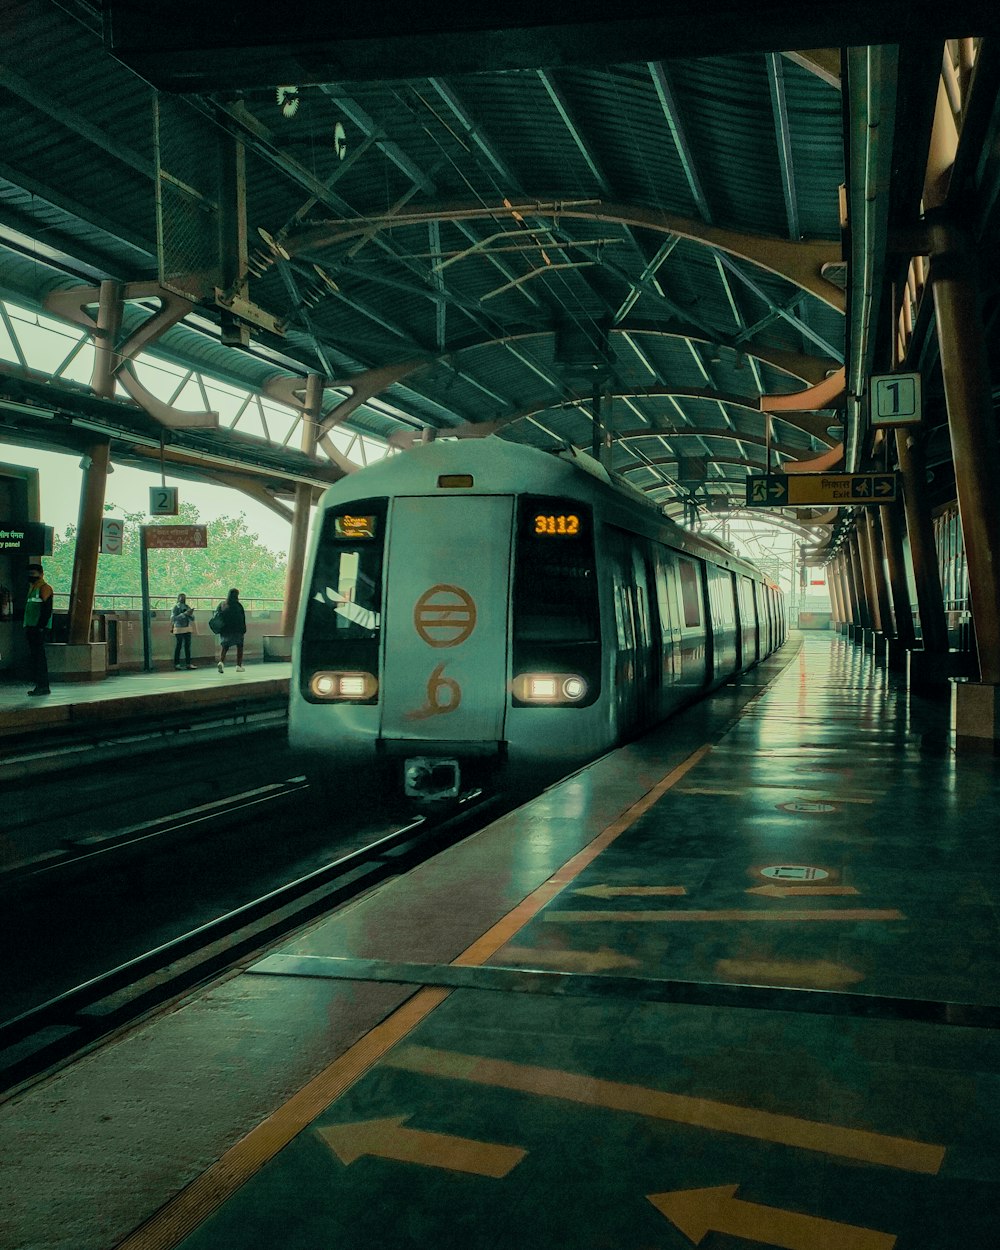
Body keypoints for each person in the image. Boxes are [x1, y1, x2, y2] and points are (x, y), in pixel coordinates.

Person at [23, 562, 53, 696]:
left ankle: (43, 686)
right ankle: (40, 685)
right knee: (35, 657)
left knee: (39, 658)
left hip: (38, 628)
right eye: (29, 574)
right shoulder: (33, 588)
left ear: (41, 574)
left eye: (33, 574)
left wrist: (40, 627)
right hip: (31, 626)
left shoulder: (44, 588)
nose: (31, 576)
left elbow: (47, 609)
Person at [216, 587, 247, 673]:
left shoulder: (222, 604)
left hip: (225, 630)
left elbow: (217, 615)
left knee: (225, 647)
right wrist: (244, 629)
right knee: (239, 647)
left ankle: (221, 662)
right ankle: (238, 665)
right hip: (237, 630)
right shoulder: (238, 606)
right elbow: (242, 618)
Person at [170, 593, 196, 669]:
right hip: (178, 628)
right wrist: (183, 614)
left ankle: (188, 663)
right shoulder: (175, 607)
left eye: (184, 598)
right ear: (178, 598)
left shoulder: (187, 607)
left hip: (187, 628)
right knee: (179, 646)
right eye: (181, 598)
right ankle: (176, 664)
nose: (183, 599)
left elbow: (193, 619)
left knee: (187, 647)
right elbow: (173, 619)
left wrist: (190, 614)